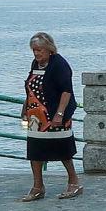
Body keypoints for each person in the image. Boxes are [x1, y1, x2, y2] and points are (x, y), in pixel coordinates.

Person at [22, 31, 82, 201]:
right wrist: (25, 108)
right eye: (34, 50)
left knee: (62, 149)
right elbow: (31, 88)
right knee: (34, 150)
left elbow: (66, 91)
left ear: (49, 49)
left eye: (39, 50)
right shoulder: (36, 64)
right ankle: (37, 186)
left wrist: (59, 114)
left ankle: (74, 182)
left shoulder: (59, 64)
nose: (36, 53)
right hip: (36, 115)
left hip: (56, 112)